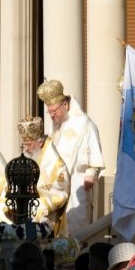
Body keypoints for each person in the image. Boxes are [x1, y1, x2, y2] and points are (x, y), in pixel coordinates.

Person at [38, 80, 104, 233]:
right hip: (56, 188)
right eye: (50, 112)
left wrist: (90, 174)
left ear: (65, 105)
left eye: (54, 111)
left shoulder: (85, 125)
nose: (52, 115)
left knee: (75, 228)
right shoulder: (54, 127)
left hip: (77, 184)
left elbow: (94, 156)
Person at [15, 116, 71, 234]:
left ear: (40, 143)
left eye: (29, 145)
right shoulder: (27, 158)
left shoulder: (56, 164)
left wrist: (37, 190)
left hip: (47, 213)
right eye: (24, 145)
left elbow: (62, 189)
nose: (26, 149)